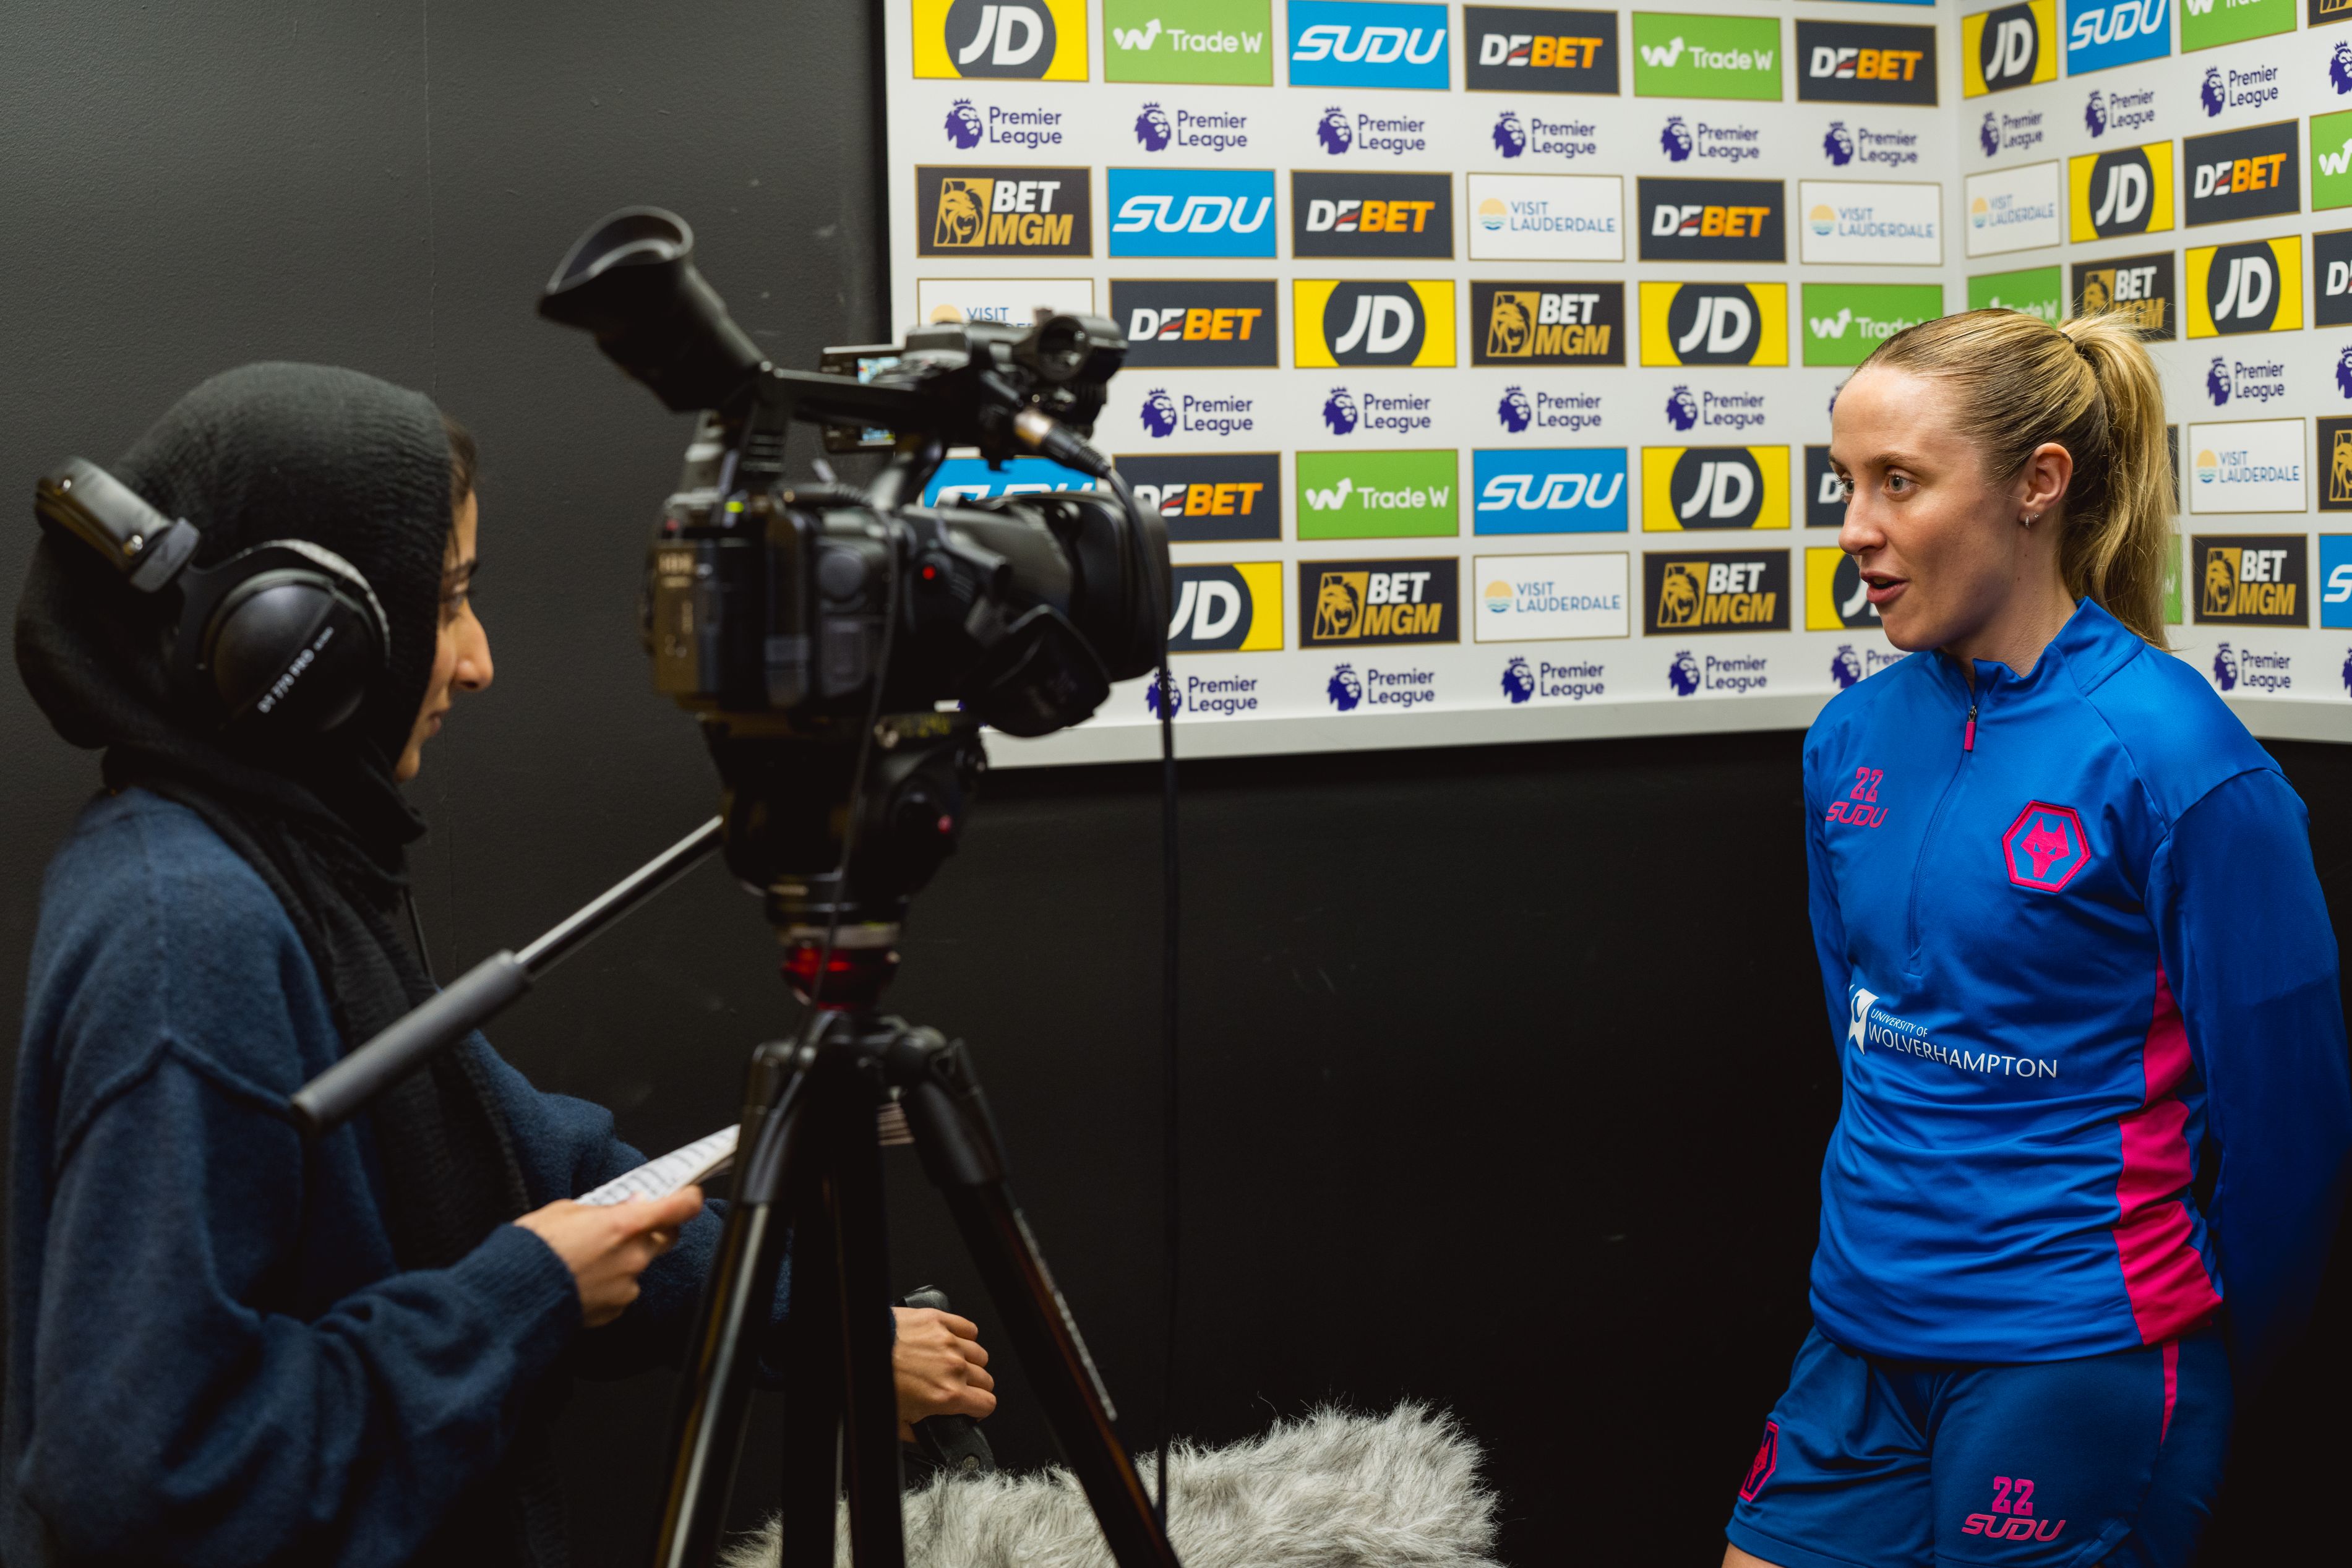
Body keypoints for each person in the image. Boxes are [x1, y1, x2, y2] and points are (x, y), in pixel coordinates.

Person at [4, 364, 994, 1568]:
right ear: (297, 637)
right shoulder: (189, 931)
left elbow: (535, 1164)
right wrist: (521, 1298)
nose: (477, 661)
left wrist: (831, 1327)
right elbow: (152, 1475)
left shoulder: (283, 862)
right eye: (450, 600)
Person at [1726, 311, 2352, 1568]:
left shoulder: (2173, 756)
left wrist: (2178, 1343)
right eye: (1845, 482)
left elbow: (2290, 1130)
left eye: (1896, 481)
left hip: (2073, 1356)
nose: (1853, 525)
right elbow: (1860, 1029)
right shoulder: (1847, 740)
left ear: (2037, 483)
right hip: (1855, 1335)